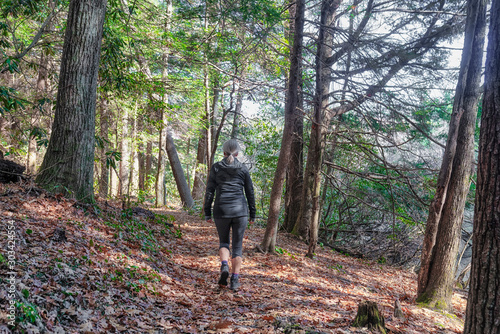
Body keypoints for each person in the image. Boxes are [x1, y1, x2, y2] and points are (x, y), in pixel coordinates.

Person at [204, 139, 256, 290]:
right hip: (240, 212)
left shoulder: (216, 168)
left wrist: (207, 212)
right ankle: (235, 279)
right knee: (237, 247)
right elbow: (250, 192)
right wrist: (253, 213)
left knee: (224, 242)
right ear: (237, 153)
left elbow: (209, 191)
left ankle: (225, 265)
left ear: (224, 152)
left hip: (221, 210)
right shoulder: (243, 169)